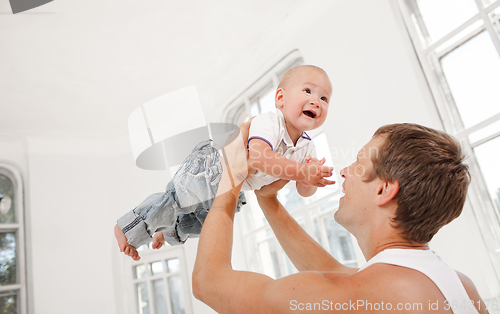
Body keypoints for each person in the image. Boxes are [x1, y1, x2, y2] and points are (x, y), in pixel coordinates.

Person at [192, 121, 488, 314]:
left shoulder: (355, 296)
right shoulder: (462, 289)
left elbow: (208, 282)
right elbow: (334, 271)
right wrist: (268, 200)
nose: (345, 171)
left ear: (384, 189)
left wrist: (230, 180)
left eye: (358, 162)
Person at [114, 65, 335, 260]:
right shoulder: (271, 122)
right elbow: (260, 157)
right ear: (280, 98)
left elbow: (303, 191)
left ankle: (167, 230)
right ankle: (127, 228)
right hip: (212, 166)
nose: (316, 101)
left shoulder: (308, 148)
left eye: (324, 98)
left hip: (236, 186)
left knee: (203, 223)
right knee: (176, 200)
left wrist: (312, 179)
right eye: (308, 91)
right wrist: (302, 172)